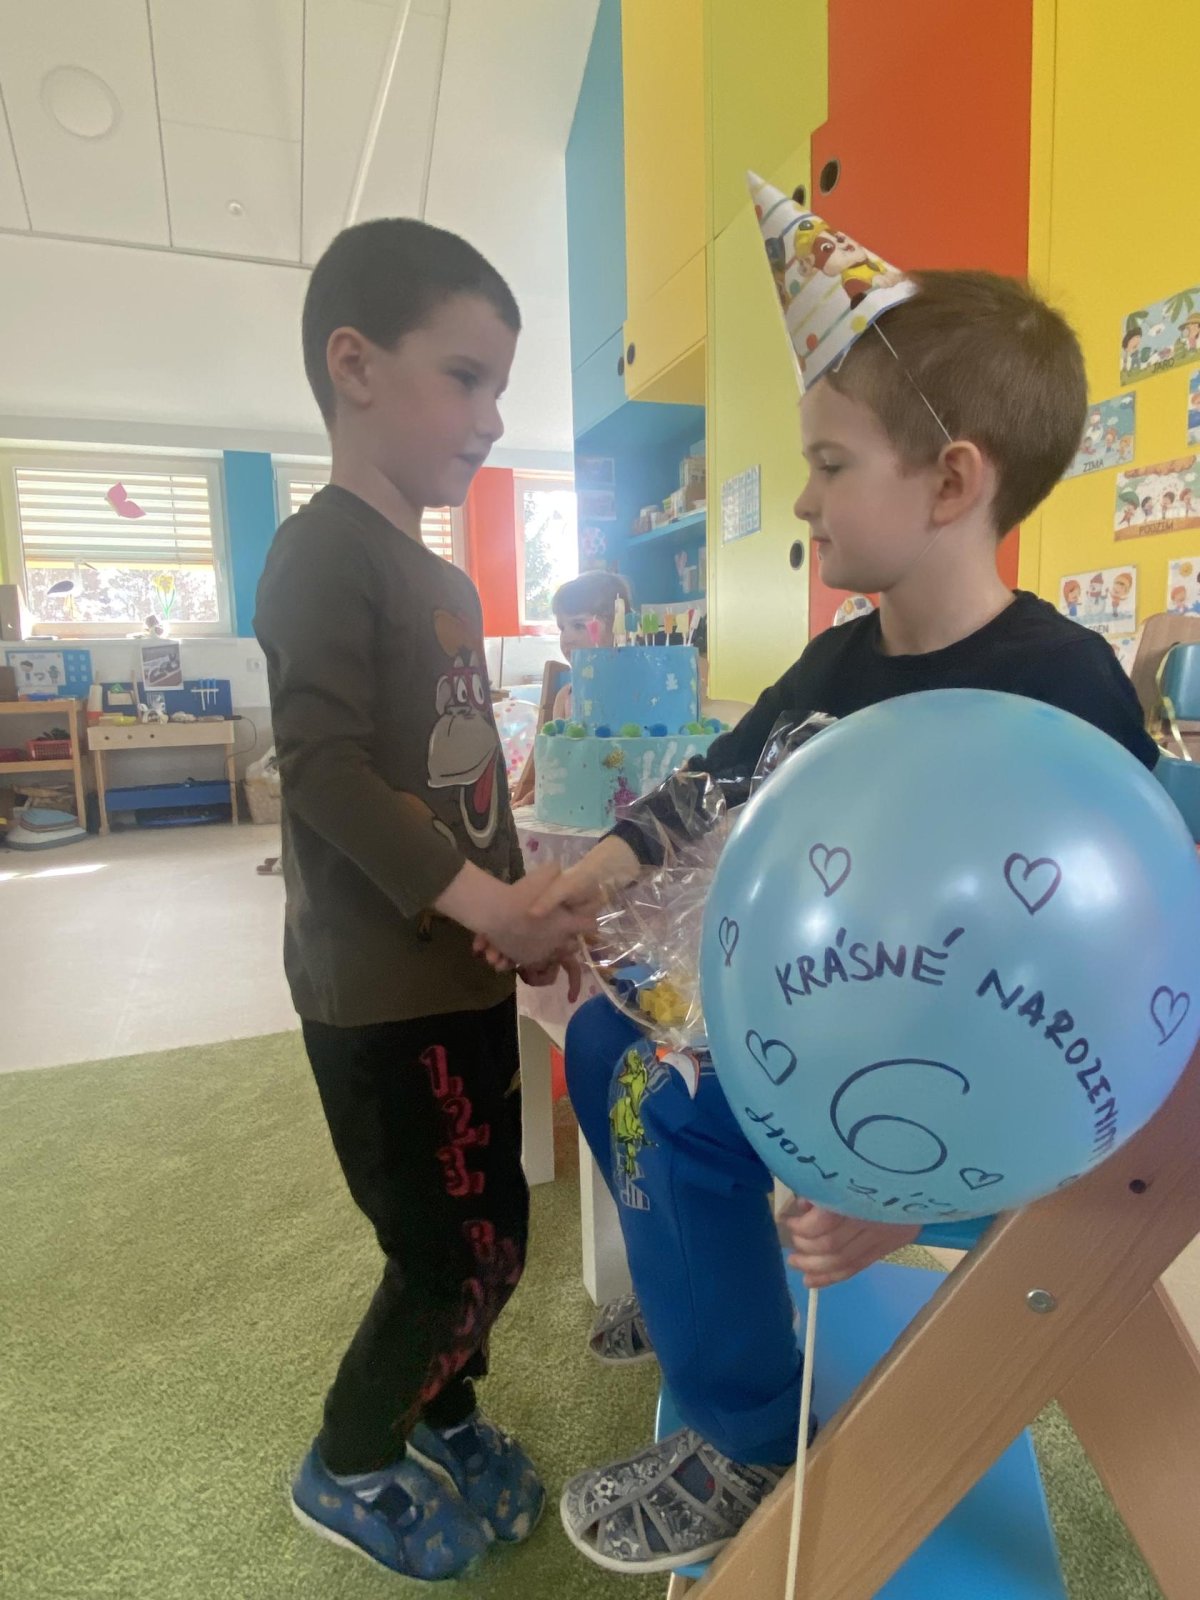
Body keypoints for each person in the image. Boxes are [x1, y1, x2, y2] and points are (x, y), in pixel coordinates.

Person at [484, 261, 1161, 1573]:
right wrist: (591, 873)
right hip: (831, 1015)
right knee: (609, 1044)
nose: (801, 499)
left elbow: (1100, 981)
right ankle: (696, 1287)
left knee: (673, 1110)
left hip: (971, 1075)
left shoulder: (1060, 685)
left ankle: (745, 1437)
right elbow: (715, 780)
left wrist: (909, 1189)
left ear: (950, 483)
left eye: (830, 464)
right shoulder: (843, 657)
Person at [254, 218, 595, 1582]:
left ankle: (444, 1412)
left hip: (454, 971)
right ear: (354, 365)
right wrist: (482, 905)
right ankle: (347, 1457)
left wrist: (512, 909)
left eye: (500, 386)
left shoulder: (445, 576)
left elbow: (475, 795)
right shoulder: (320, 553)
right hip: (377, 995)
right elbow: (324, 769)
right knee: (447, 1247)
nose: (492, 416)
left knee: (491, 1228)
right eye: (465, 377)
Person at [509, 569, 633, 806]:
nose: (567, 638)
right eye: (562, 628)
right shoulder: (565, 697)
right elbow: (560, 761)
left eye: (579, 625)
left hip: (628, 806)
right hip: (576, 807)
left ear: (619, 628)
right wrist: (539, 793)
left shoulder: (636, 691)